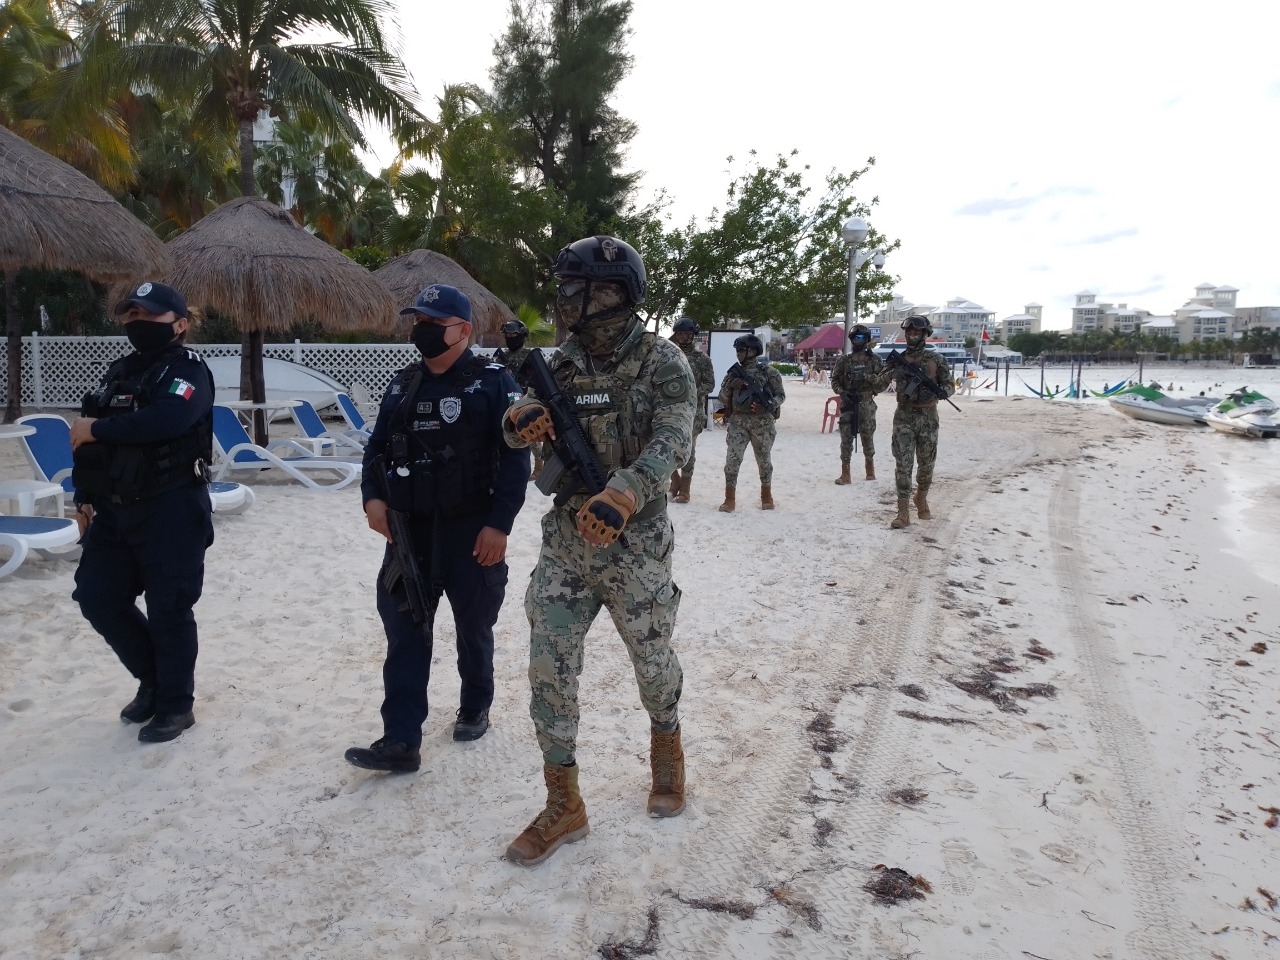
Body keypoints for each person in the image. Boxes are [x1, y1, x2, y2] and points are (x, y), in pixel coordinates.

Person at [501, 234, 695, 866]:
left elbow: (673, 438)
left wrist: (626, 493)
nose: (565, 301)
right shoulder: (556, 366)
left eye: (578, 290)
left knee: (652, 660)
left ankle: (666, 752)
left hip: (634, 544)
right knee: (549, 668)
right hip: (566, 546)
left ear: (614, 295)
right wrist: (519, 420)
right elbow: (514, 423)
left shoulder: (663, 362)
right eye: (566, 290)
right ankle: (565, 803)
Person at [345, 284, 529, 774]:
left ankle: (475, 704)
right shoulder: (403, 384)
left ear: (463, 330)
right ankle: (401, 740)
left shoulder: (494, 382)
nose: (420, 331)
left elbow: (516, 459)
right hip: (409, 531)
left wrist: (499, 526)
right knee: (405, 631)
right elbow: (376, 447)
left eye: (432, 323)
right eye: (417, 322)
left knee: (473, 625)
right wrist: (373, 497)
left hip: (472, 529)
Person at [70, 281, 215, 743]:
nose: (138, 324)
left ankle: (175, 704)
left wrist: (99, 428)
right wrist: (84, 497)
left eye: (149, 316)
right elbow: (86, 442)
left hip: (171, 506)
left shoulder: (188, 370)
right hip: (113, 509)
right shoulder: (119, 372)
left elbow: (168, 419)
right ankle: (153, 680)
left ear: (180, 324)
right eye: (131, 315)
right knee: (97, 597)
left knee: (169, 608)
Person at [885, 315, 955, 529]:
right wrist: (886, 372)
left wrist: (943, 392)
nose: (912, 335)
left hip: (928, 417)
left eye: (916, 332)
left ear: (925, 334)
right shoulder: (898, 359)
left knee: (926, 464)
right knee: (903, 464)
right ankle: (903, 511)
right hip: (904, 416)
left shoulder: (936, 360)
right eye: (909, 332)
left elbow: (949, 385)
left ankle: (921, 498)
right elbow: (879, 383)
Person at [716, 333, 785, 512]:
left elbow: (781, 395)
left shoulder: (769, 372)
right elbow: (722, 399)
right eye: (737, 350)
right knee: (732, 461)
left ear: (753, 351)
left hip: (762, 424)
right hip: (738, 422)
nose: (738, 353)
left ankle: (766, 496)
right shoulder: (733, 374)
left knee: (764, 462)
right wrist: (732, 386)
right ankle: (729, 499)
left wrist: (768, 405)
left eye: (741, 350)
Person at [829, 324, 888, 484]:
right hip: (848, 402)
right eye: (855, 338)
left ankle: (870, 468)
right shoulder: (844, 360)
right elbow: (834, 380)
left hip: (866, 402)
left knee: (867, 436)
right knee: (846, 437)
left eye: (861, 337)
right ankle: (845, 473)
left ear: (867, 339)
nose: (858, 340)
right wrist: (842, 392)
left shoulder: (874, 360)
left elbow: (882, 384)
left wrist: (867, 377)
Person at [667, 316, 714, 504]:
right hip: (668, 410)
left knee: (689, 450)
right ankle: (674, 481)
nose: (684, 337)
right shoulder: (668, 355)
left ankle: (685, 489)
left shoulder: (702, 359)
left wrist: (690, 392)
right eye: (680, 333)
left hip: (692, 413)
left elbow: (710, 384)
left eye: (687, 333)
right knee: (666, 446)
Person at [492, 318, 544, 480]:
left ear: (522, 335)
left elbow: (538, 377)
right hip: (506, 398)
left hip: (526, 396)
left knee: (529, 430)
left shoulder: (530, 355)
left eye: (513, 334)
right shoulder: (502, 356)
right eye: (506, 334)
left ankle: (539, 463)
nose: (509, 337)